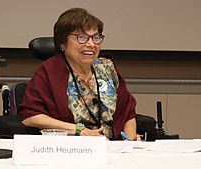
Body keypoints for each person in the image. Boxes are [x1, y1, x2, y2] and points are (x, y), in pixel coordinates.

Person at [19, 7, 140, 141]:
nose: (91, 44)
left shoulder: (107, 67)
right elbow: (31, 117)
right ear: (62, 42)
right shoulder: (49, 71)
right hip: (72, 149)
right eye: (82, 37)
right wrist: (78, 130)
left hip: (112, 149)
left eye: (96, 38)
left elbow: (128, 113)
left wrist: (129, 141)